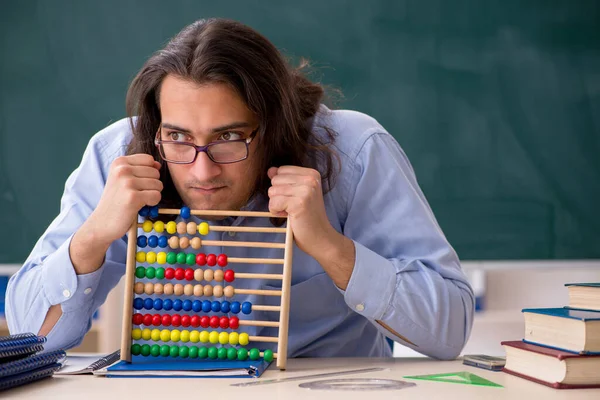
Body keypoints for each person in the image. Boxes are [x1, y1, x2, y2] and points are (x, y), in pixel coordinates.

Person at [6, 18, 474, 360]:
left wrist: (331, 248)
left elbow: (449, 330)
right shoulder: (118, 157)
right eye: (179, 137)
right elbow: (32, 337)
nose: (203, 172)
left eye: (229, 137)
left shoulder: (354, 150)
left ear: (274, 126)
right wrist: (92, 238)